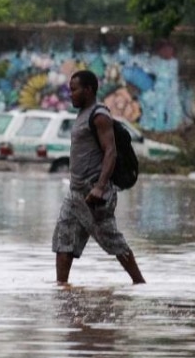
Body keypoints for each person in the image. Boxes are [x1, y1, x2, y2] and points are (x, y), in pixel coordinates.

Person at [52, 70, 146, 285]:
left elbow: (110, 151)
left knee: (112, 240)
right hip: (75, 192)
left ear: (89, 90)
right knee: (63, 241)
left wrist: (100, 187)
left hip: (94, 192)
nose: (71, 94)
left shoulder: (99, 115)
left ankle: (140, 284)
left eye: (74, 90)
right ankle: (62, 290)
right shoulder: (82, 113)